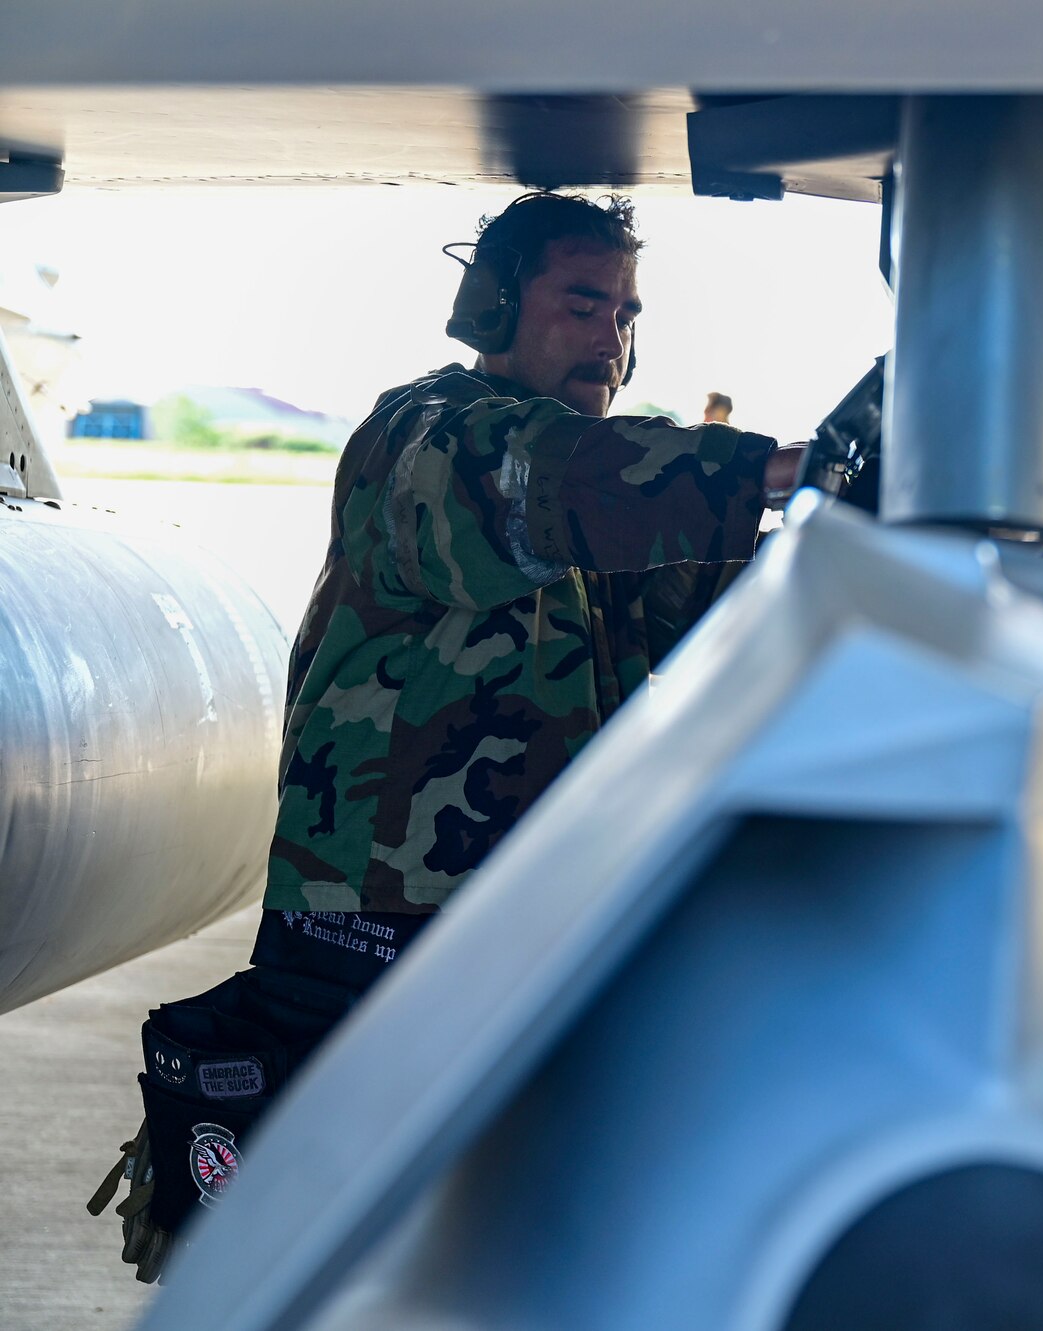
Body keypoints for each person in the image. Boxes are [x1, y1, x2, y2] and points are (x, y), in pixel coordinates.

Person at [89, 191, 802, 1280]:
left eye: (626, 311)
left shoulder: (589, 494)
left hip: (506, 922)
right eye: (581, 302)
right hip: (370, 925)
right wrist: (765, 468)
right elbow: (544, 481)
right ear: (493, 305)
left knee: (504, 1244)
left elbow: (712, 597)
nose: (610, 338)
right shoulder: (428, 437)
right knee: (336, 1253)